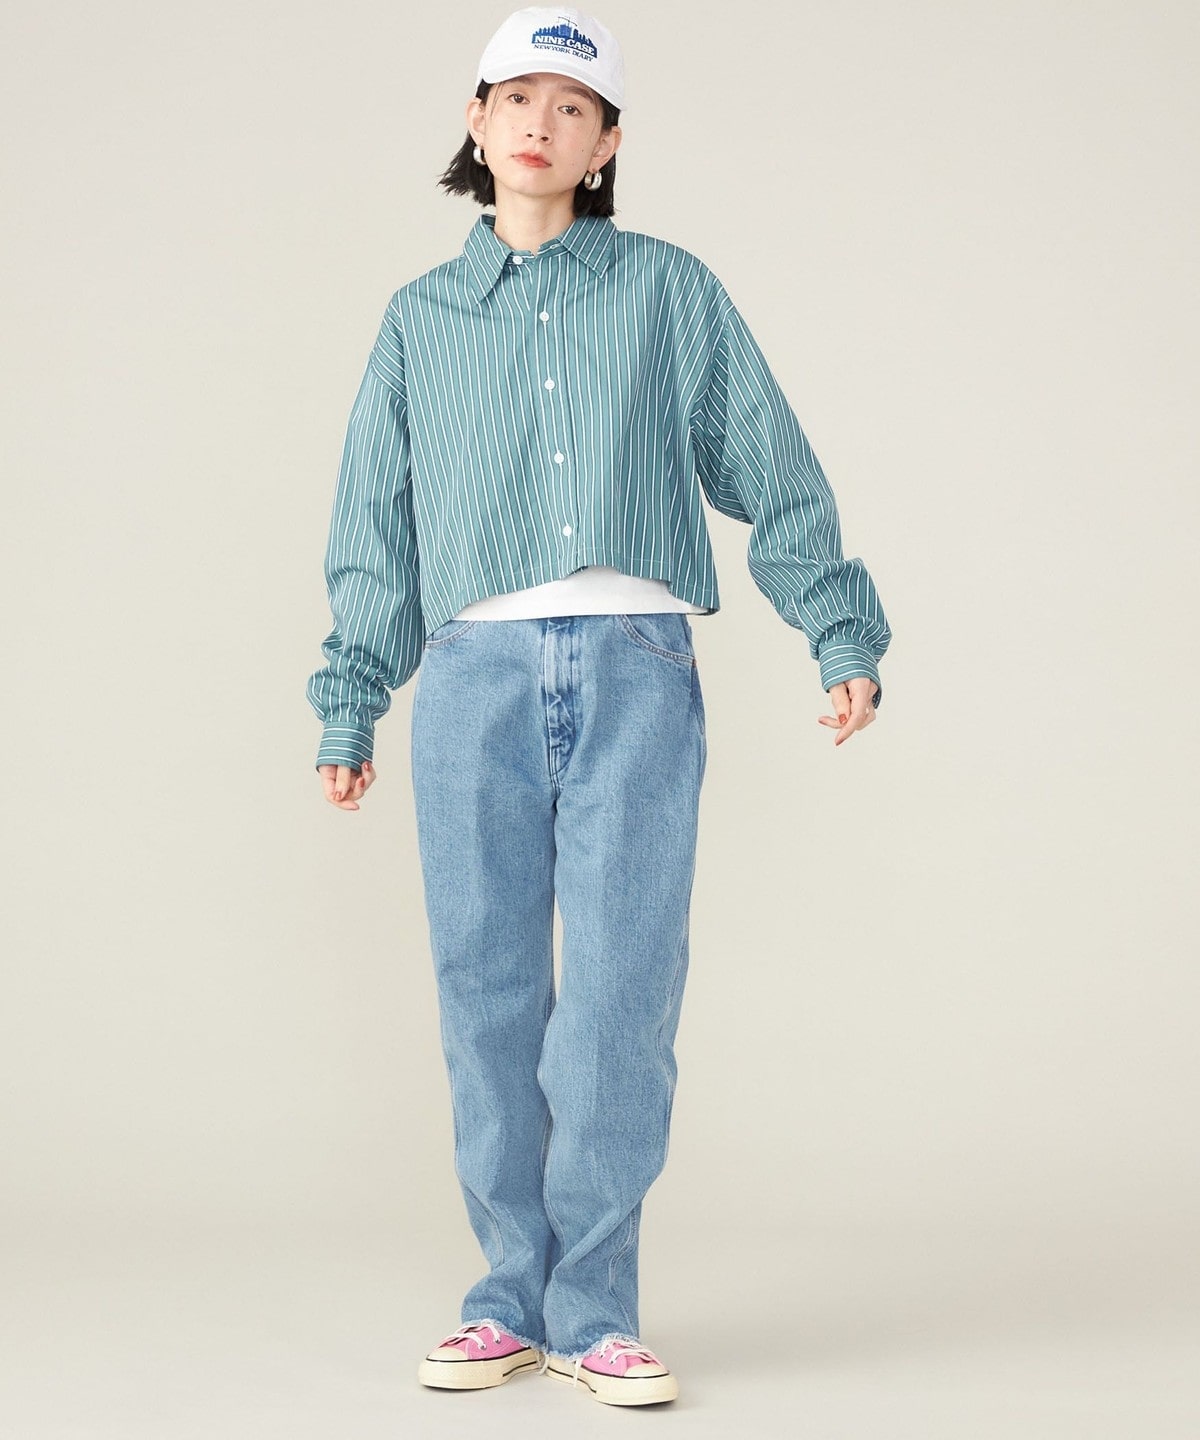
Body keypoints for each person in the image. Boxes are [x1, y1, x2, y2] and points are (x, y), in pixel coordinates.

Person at [306, 5, 891, 1408]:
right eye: (516, 97)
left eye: (572, 107)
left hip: (636, 666)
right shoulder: (419, 321)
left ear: (607, 141)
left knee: (622, 998)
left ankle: (598, 1310)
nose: (540, 124)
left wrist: (836, 626)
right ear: (476, 119)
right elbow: (373, 528)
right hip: (473, 679)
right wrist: (350, 700)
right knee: (487, 993)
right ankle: (505, 1296)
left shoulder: (669, 291)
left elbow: (769, 461)